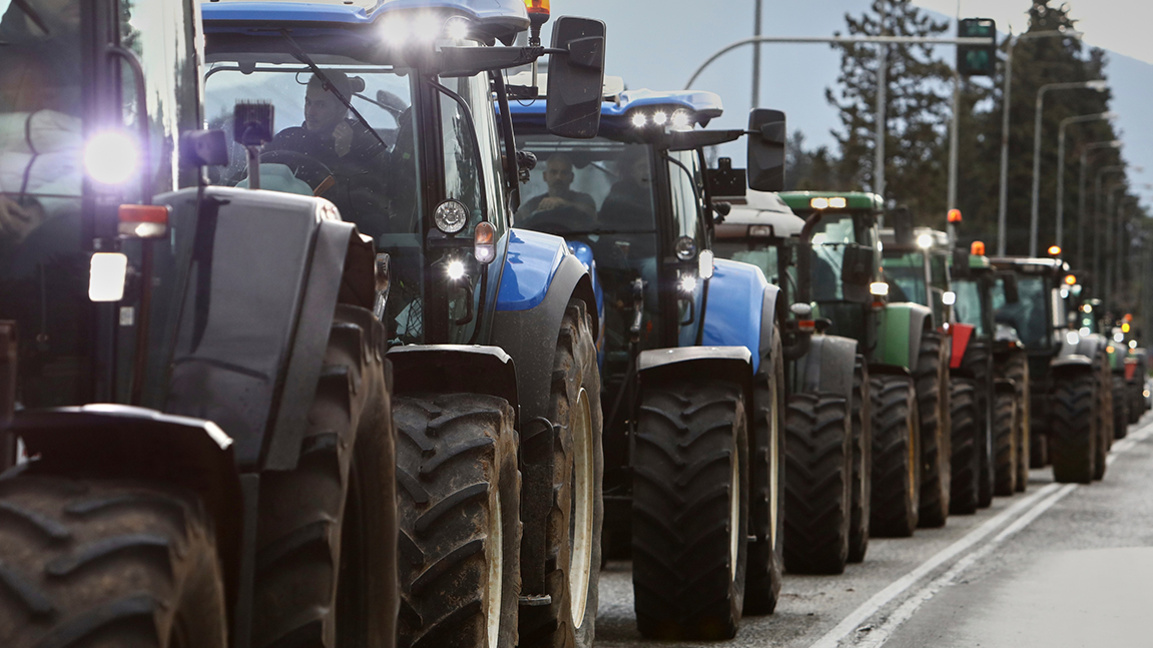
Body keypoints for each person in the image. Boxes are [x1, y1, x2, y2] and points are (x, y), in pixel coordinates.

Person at [264, 71, 393, 236]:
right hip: (280, 230)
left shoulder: (365, 145)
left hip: (340, 237)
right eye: (308, 102)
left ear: (342, 108)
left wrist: (345, 156)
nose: (310, 112)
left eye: (320, 105)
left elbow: (369, 210)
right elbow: (252, 176)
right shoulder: (287, 139)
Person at [516, 153, 596, 227]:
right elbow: (517, 220)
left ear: (571, 177)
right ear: (545, 176)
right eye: (553, 172)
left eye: (564, 173)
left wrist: (564, 203)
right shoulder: (534, 204)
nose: (558, 177)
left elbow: (592, 215)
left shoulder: (583, 200)